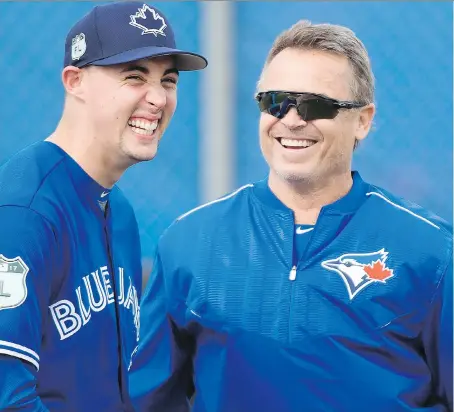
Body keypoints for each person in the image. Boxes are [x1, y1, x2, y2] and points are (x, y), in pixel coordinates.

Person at [129, 19, 453, 412]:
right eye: (275, 101)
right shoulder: (190, 242)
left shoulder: (432, 252)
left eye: (317, 105)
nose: (292, 119)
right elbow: (146, 401)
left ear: (363, 120)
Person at [0, 2, 207, 411]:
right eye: (134, 76)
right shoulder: (24, 211)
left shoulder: (121, 213)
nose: (158, 98)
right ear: (75, 80)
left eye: (168, 80)